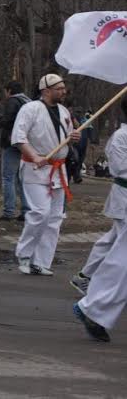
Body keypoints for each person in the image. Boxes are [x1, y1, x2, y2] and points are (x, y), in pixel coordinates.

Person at [12, 74, 80, 276]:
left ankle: (41, 261)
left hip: (58, 170)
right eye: (59, 88)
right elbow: (18, 137)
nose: (63, 91)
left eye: (63, 87)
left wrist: (74, 136)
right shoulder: (30, 109)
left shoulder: (63, 111)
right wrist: (33, 156)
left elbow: (68, 137)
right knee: (40, 213)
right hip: (36, 169)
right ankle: (24, 255)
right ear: (46, 90)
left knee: (55, 217)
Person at [72, 96, 127, 342]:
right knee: (120, 259)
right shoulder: (121, 137)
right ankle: (93, 306)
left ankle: (95, 306)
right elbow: (120, 169)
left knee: (117, 252)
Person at [0, 81, 31, 221]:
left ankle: (8, 211)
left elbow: (9, 119)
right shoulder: (28, 101)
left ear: (9, 90)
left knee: (8, 177)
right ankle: (26, 210)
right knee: (21, 178)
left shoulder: (13, 101)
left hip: (12, 142)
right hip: (26, 143)